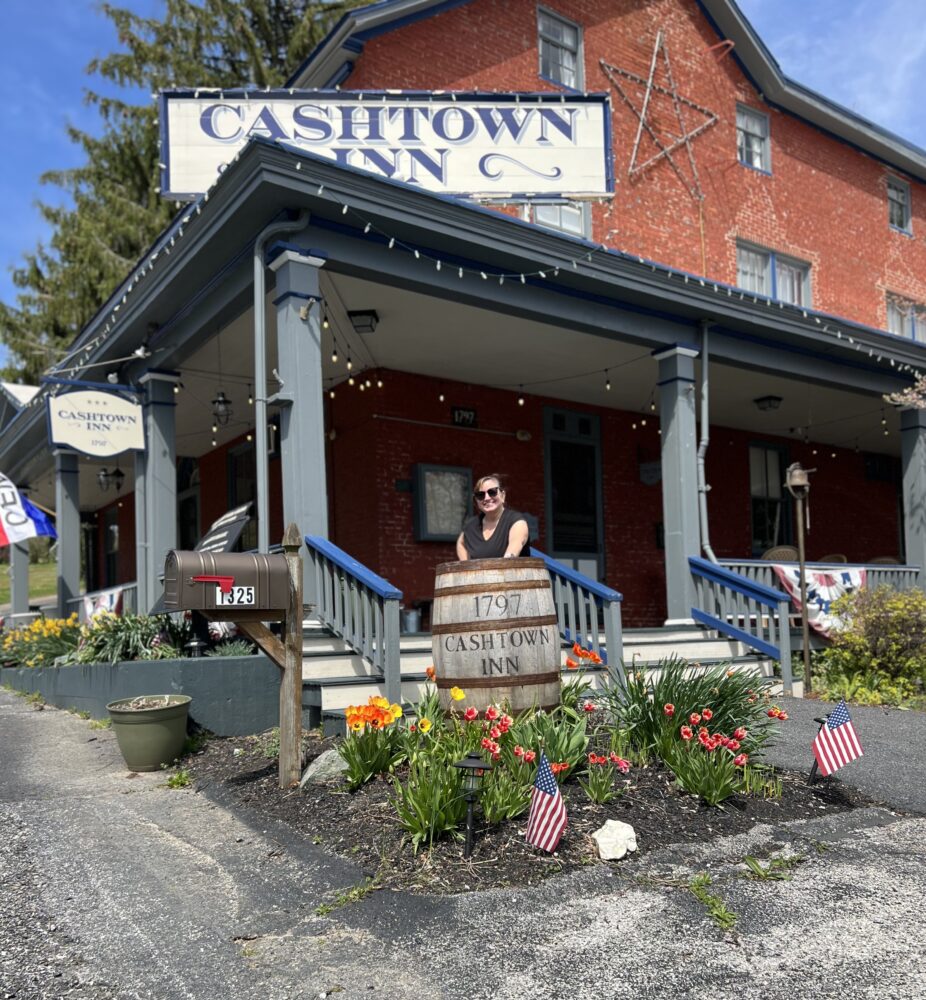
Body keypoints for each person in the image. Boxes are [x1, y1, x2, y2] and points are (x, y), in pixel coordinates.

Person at [456, 474, 530, 560]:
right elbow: (460, 543)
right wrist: (466, 567)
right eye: (480, 495)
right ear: (476, 500)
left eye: (492, 492)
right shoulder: (471, 526)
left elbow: (510, 558)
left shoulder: (516, 522)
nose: (486, 498)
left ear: (503, 495)